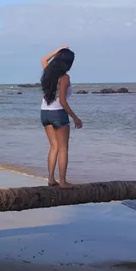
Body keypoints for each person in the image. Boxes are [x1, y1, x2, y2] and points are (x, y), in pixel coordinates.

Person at [40, 46, 82, 188]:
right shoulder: (64, 78)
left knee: (54, 147)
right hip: (58, 113)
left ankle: (51, 179)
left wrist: (58, 50)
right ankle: (63, 181)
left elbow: (44, 59)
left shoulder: (48, 72)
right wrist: (75, 118)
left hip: (44, 112)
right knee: (63, 148)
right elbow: (63, 101)